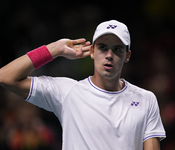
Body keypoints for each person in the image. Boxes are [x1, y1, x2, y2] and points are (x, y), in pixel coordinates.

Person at [0, 20, 166, 150]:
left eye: (117, 49)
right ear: (92, 51)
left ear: (127, 55)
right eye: (102, 47)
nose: (109, 55)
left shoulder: (146, 99)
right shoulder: (67, 92)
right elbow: (6, 77)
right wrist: (55, 49)